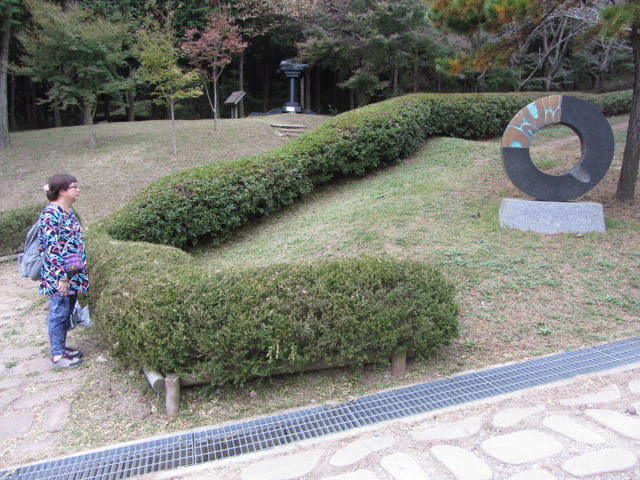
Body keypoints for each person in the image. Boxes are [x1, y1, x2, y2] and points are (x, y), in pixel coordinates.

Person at [38, 174, 89, 369]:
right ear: (61, 190)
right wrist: (62, 277)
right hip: (60, 276)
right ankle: (57, 355)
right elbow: (51, 249)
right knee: (59, 312)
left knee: (66, 311)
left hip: (73, 273)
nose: (78, 190)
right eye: (74, 187)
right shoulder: (51, 215)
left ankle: (61, 347)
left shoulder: (68, 213)